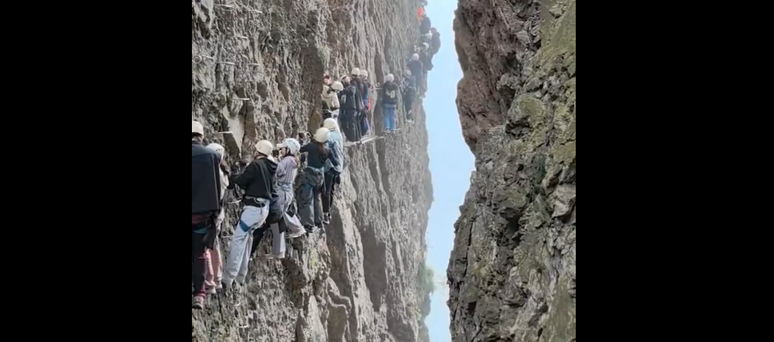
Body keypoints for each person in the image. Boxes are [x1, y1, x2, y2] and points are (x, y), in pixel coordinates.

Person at [222, 140, 277, 289]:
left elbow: (241, 181)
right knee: (247, 241)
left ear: (258, 150)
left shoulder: (256, 165)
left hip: (253, 209)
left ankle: (228, 278)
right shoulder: (271, 166)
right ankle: (241, 276)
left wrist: (234, 171)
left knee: (238, 241)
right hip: (263, 210)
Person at [191, 121, 224, 309]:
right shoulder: (211, 156)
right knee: (200, 255)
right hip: (202, 217)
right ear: (200, 136)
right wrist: (214, 216)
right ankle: (199, 294)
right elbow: (216, 188)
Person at [298, 128, 339, 233]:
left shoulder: (311, 146)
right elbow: (336, 162)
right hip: (320, 178)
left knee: (307, 199)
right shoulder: (327, 150)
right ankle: (318, 221)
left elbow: (301, 149)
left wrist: (302, 140)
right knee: (316, 198)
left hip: (310, 175)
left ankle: (308, 224)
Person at [203, 143, 229, 294]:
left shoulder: (216, 174)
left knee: (205, 245)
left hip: (211, 214)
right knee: (214, 245)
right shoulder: (222, 171)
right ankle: (217, 279)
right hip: (218, 214)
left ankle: (209, 281)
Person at [321, 119, 344, 224]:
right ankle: (328, 212)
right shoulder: (338, 135)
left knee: (326, 191)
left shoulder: (329, 136)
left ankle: (325, 213)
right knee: (331, 190)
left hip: (330, 167)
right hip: (338, 166)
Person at [340, 72, 363, 142]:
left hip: (352, 108)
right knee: (354, 124)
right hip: (352, 108)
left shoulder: (351, 87)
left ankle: (354, 139)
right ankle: (357, 138)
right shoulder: (350, 88)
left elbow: (350, 92)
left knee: (352, 124)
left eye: (345, 79)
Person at [359, 69, 372, 136]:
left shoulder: (364, 84)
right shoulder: (366, 83)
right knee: (363, 116)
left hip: (363, 102)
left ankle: (366, 130)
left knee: (363, 116)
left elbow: (364, 95)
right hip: (365, 102)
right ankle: (367, 130)